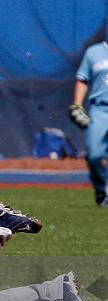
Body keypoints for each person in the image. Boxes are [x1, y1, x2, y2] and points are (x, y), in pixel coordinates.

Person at [69, 42, 108, 206]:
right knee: (94, 154)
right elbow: (83, 78)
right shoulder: (94, 52)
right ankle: (102, 187)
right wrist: (77, 104)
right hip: (100, 109)